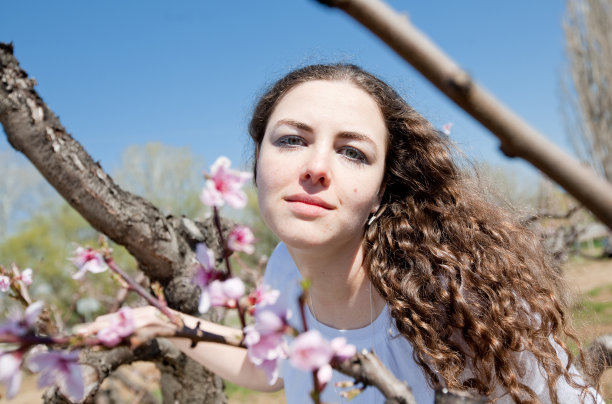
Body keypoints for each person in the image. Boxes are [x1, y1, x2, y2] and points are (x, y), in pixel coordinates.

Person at [82, 64, 602, 403]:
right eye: (290, 140)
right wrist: (159, 321)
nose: (315, 167)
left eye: (352, 152)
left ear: (382, 187)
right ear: (258, 162)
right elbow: (268, 364)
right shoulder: (285, 268)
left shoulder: (455, 295)